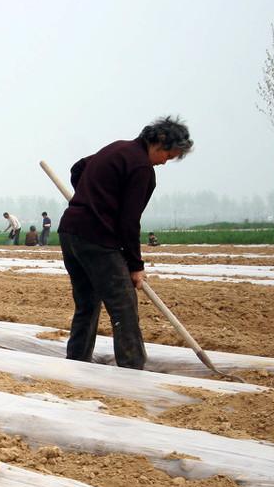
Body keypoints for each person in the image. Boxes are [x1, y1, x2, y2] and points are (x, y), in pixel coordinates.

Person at [58, 115, 193, 370]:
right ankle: (132, 372)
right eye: (169, 155)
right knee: (124, 309)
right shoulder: (141, 167)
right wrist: (135, 265)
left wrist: (89, 197)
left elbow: (78, 168)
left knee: (86, 304)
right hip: (97, 239)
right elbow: (129, 222)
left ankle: (76, 364)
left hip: (70, 232)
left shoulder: (117, 148)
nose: (166, 162)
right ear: (159, 142)